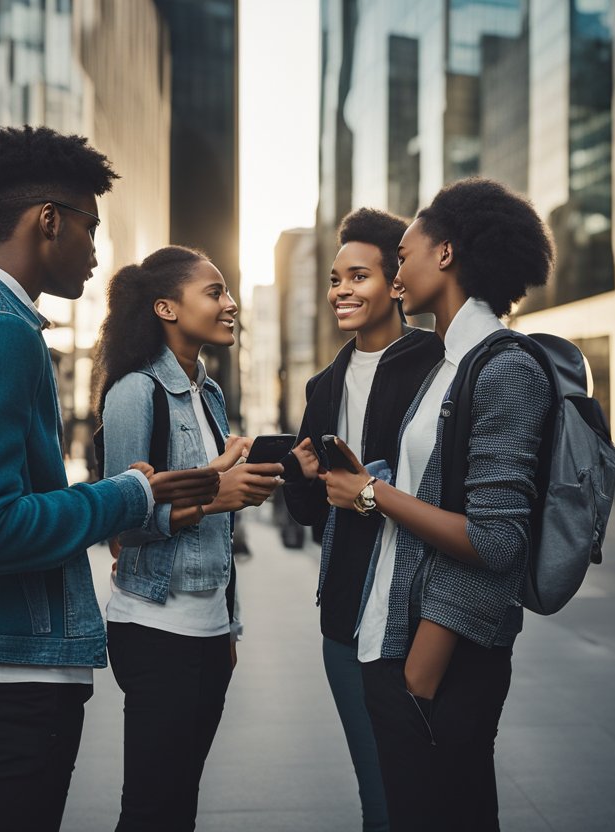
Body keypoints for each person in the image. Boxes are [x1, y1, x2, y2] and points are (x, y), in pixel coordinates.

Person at [0, 126, 221, 832]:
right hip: (15, 675)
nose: (97, 251)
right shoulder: (0, 331)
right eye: (89, 227)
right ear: (49, 220)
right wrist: (130, 493)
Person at [321, 179, 554, 831]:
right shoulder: (446, 365)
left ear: (445, 254)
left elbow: (496, 541)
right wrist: (369, 481)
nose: (397, 269)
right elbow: (436, 489)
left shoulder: (503, 366)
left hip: (443, 662)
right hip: (395, 645)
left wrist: (373, 493)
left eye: (405, 251)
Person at [94, 246, 284, 831]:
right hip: (154, 628)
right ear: (166, 307)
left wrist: (225, 624)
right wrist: (217, 495)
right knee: (151, 808)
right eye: (215, 292)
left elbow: (213, 507)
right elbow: (119, 523)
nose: (229, 305)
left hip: (207, 630)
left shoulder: (209, 394)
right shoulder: (134, 392)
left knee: (180, 803)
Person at [282, 209, 443, 831]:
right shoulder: (324, 385)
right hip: (347, 619)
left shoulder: (438, 362)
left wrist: (371, 490)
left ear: (397, 282)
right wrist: (300, 476)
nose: (341, 291)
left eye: (358, 276)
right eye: (334, 279)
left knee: (432, 790)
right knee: (379, 793)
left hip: (422, 614)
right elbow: (311, 517)